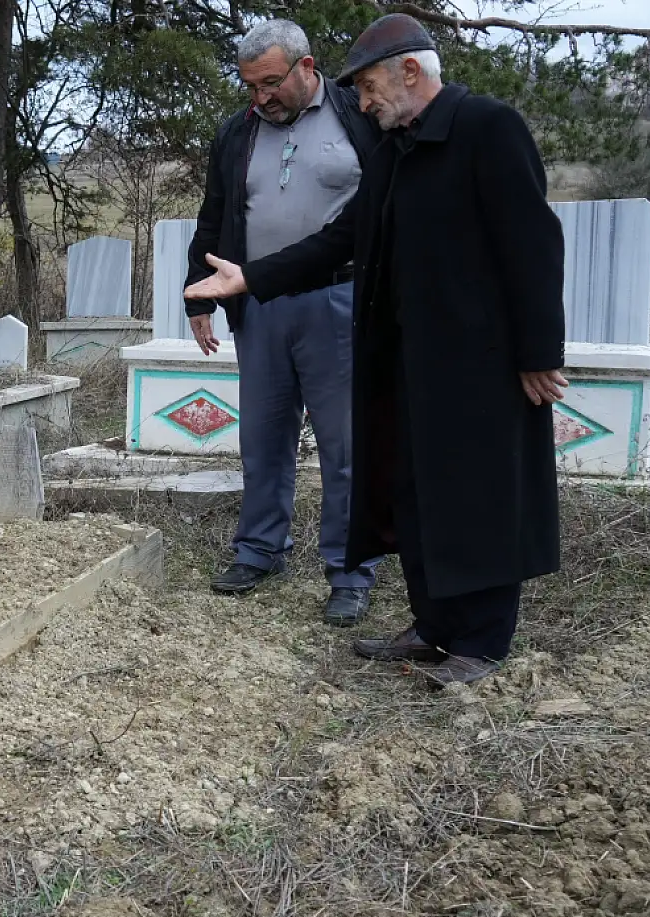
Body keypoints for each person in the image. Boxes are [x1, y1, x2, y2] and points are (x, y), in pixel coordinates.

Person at [184, 14, 566, 688]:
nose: (361, 103)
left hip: (481, 362)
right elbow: (342, 239)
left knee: (476, 497)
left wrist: (539, 351)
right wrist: (253, 277)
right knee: (416, 492)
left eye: (367, 88)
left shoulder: (487, 129)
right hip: (407, 358)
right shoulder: (396, 147)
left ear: (410, 73)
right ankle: (434, 625)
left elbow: (533, 245)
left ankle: (481, 641)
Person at [184, 20, 382, 625]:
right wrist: (198, 296)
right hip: (260, 305)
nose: (261, 97)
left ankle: (350, 570)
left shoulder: (359, 115)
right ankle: (260, 549)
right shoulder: (237, 132)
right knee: (263, 440)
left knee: (345, 444)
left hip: (339, 300)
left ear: (306, 66)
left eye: (271, 83)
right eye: (250, 86)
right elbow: (216, 212)